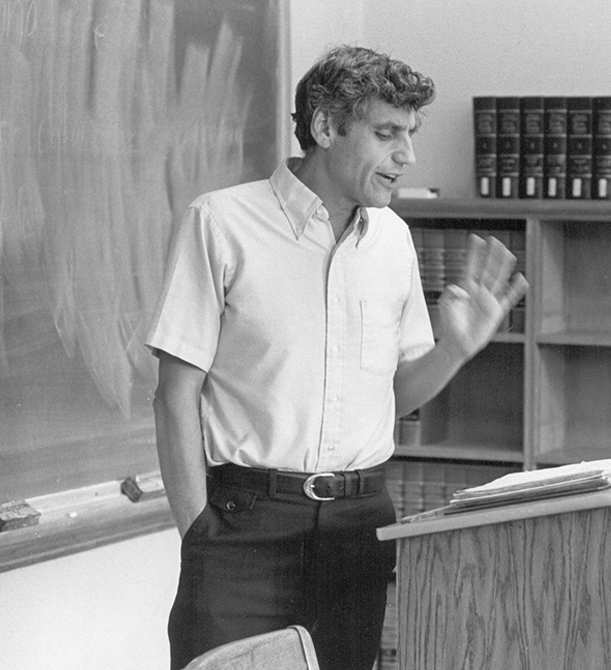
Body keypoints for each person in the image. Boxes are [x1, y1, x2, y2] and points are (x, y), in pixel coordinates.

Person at [146, 44, 528, 670]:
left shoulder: (394, 240)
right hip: (244, 527)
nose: (407, 155)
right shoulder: (219, 223)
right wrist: (199, 535)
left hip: (358, 527)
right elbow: (174, 395)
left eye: (410, 134)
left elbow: (394, 395)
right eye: (387, 133)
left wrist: (457, 349)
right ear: (325, 126)